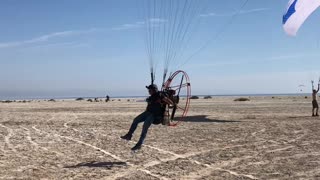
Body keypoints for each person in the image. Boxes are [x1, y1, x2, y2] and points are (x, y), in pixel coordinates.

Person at [120, 84, 174, 151]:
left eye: (150, 90)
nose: (149, 91)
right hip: (147, 113)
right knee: (136, 120)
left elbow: (170, 103)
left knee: (145, 127)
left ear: (154, 90)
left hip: (155, 115)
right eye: (148, 90)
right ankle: (129, 135)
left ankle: (139, 144)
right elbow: (148, 103)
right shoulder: (151, 97)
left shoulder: (160, 95)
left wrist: (164, 102)